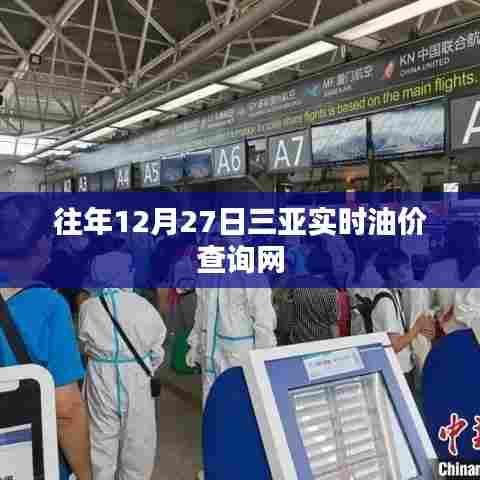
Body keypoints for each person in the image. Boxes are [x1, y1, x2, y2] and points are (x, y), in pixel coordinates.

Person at [0, 195, 92, 480]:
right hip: (25, 459)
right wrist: (85, 475)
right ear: (42, 243)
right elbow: (66, 410)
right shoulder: (47, 306)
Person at [79, 251, 167, 480]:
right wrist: (147, 366)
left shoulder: (89, 307)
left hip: (101, 375)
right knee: (138, 440)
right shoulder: (142, 306)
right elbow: (157, 347)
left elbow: (85, 344)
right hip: (136, 376)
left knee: (100, 437)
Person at [373, 249, 435, 392]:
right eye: (406, 268)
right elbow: (395, 345)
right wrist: (417, 327)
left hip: (403, 366)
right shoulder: (386, 302)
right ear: (391, 271)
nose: (410, 273)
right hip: (397, 369)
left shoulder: (395, 293)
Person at [289, 243, 339, 344]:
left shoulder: (296, 286)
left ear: (308, 265)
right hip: (323, 342)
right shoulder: (332, 291)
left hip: (298, 340)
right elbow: (333, 324)